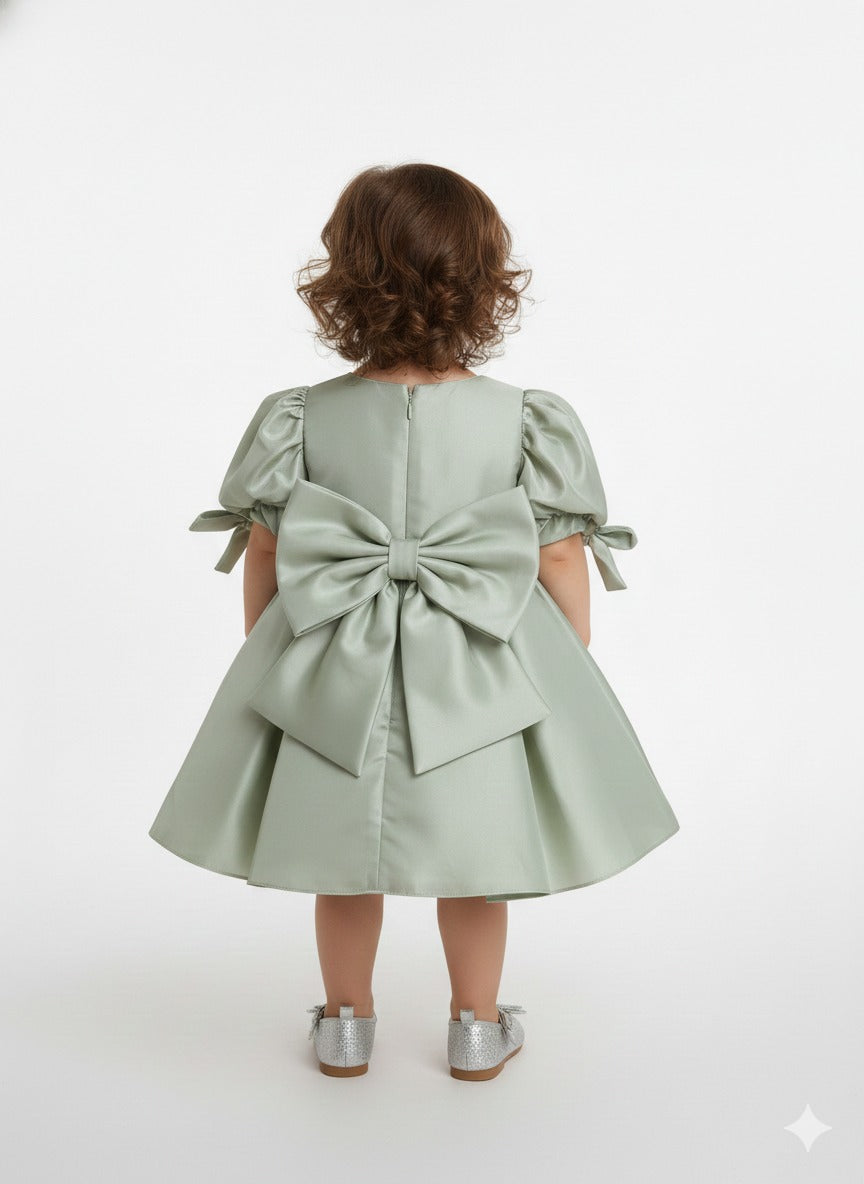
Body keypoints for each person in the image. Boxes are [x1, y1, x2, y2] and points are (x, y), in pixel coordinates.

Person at [148, 161, 680, 1080]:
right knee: (477, 857)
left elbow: (271, 550)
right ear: (486, 282)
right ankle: (476, 1027)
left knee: (341, 856)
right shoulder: (526, 420)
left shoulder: (299, 417)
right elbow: (558, 556)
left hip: (334, 660)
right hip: (480, 666)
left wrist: (272, 641)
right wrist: (566, 653)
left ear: (342, 279)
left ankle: (344, 1024)